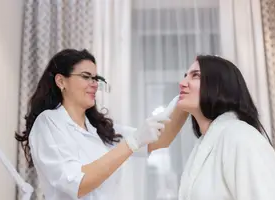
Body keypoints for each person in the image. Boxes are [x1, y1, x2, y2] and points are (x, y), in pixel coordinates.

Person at [15, 49, 188, 200]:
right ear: (61, 81)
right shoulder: (48, 123)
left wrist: (184, 101)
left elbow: (161, 140)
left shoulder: (100, 130)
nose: (94, 84)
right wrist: (132, 142)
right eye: (86, 77)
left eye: (95, 78)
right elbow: (79, 184)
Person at [173, 55, 275, 200]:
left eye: (195, 75)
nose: (182, 83)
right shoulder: (205, 145)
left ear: (219, 86)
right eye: (185, 76)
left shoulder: (241, 136)